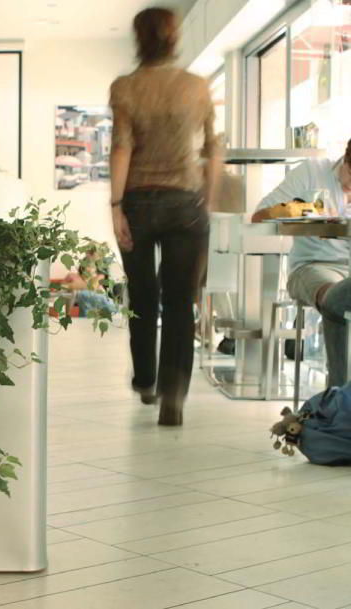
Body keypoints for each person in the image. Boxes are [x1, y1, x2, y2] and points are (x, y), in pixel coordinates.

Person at [109, 7, 222, 425]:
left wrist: (115, 206)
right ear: (174, 39)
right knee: (179, 303)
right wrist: (206, 201)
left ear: (138, 39)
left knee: (142, 295)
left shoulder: (125, 88)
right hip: (186, 203)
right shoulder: (196, 87)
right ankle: (174, 395)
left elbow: (121, 147)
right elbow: (213, 149)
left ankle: (145, 380)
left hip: (138, 201)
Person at [251, 138, 351, 388]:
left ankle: (338, 396)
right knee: (334, 298)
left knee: (339, 301)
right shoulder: (312, 172)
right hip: (311, 267)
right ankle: (339, 394)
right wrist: (306, 209)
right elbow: (260, 214)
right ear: (346, 160)